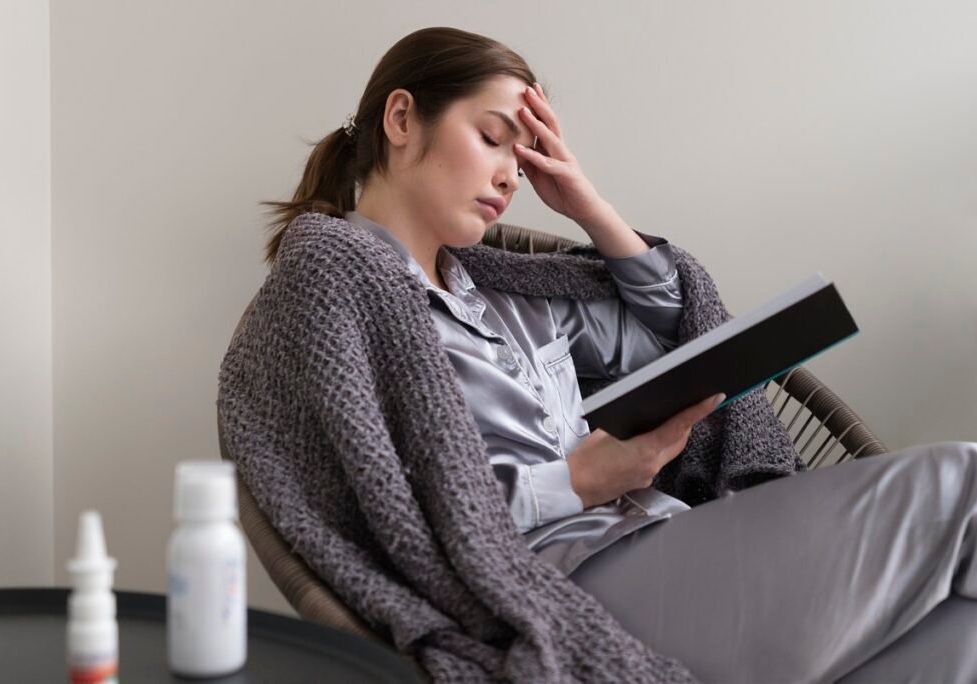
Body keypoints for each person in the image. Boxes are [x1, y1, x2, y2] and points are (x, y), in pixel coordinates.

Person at [256, 26, 977, 682]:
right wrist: (577, 480)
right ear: (402, 118)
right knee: (963, 480)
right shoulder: (329, 277)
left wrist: (588, 208)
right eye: (494, 137)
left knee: (960, 637)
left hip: (662, 532)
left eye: (525, 152)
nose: (512, 175)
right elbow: (382, 520)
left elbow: (680, 334)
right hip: (559, 583)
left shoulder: (511, 299)